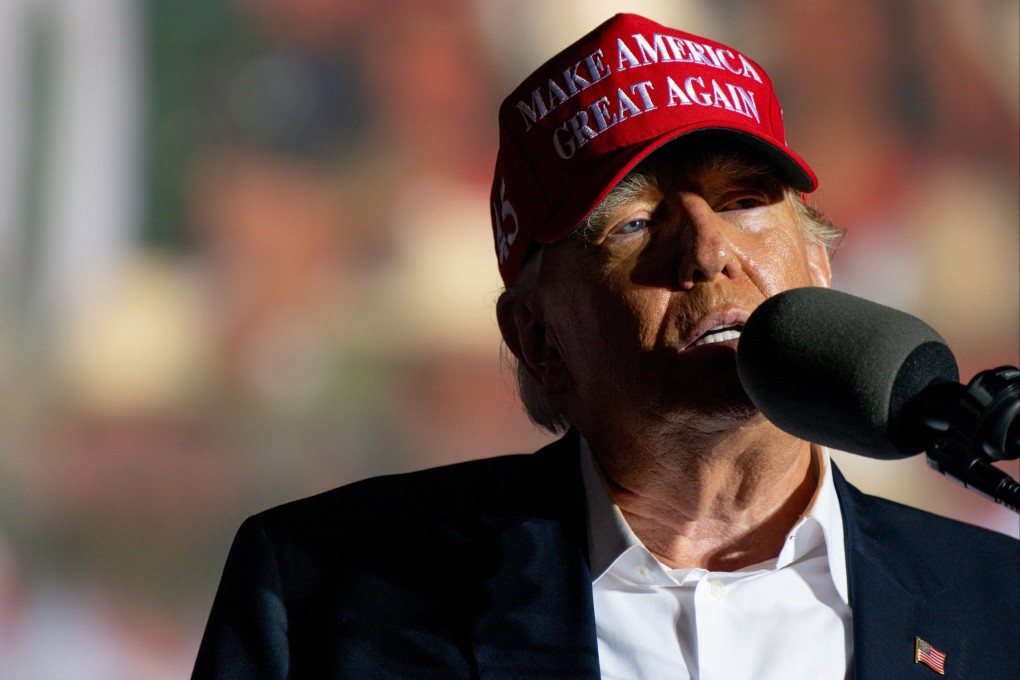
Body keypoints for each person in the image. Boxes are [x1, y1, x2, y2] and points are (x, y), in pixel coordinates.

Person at [192, 13, 1019, 679]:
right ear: (538, 340)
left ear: (821, 268)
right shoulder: (322, 598)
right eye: (632, 223)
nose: (706, 251)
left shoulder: (1000, 604)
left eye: (743, 200)